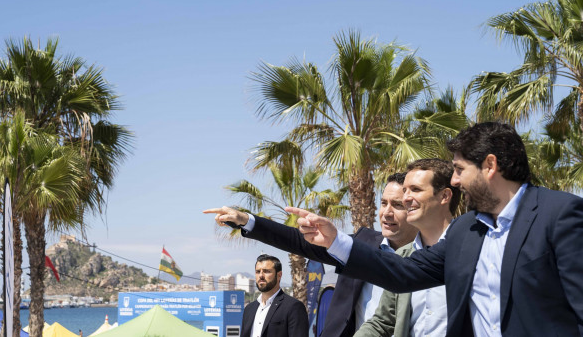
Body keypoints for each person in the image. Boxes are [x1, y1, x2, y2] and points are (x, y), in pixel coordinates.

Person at [292, 122, 583, 336]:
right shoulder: (465, 231)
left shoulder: (559, 215)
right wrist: (336, 241)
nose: (455, 181)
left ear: (490, 165)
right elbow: (403, 272)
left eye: (459, 170)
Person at [204, 173, 418, 336]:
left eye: (397, 205)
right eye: (383, 203)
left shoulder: (432, 259)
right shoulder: (361, 244)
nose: (386, 212)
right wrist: (247, 220)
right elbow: (299, 241)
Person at [355, 159, 460, 337]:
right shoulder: (403, 256)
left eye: (415, 190)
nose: (406, 198)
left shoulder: (472, 250)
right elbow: (383, 322)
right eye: (405, 191)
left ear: (444, 196)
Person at [241, 254, 308, 337]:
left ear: (279, 275)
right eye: (258, 271)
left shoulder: (293, 307)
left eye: (266, 271)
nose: (261, 275)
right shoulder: (249, 309)